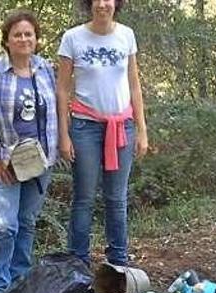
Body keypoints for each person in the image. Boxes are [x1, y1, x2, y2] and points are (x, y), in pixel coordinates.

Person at [0, 10, 58, 293]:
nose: (23, 39)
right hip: (5, 163)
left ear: (36, 38)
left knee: (28, 222)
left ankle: (20, 281)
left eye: (28, 34)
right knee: (6, 224)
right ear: (7, 40)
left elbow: (54, 115)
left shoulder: (45, 69)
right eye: (17, 34)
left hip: (39, 162)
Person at [56, 0, 149, 266]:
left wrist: (141, 129)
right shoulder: (73, 38)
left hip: (122, 127)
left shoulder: (126, 35)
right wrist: (64, 133)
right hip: (85, 126)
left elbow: (134, 84)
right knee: (84, 197)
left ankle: (118, 263)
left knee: (116, 198)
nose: (102, 4)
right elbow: (62, 89)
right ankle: (78, 263)